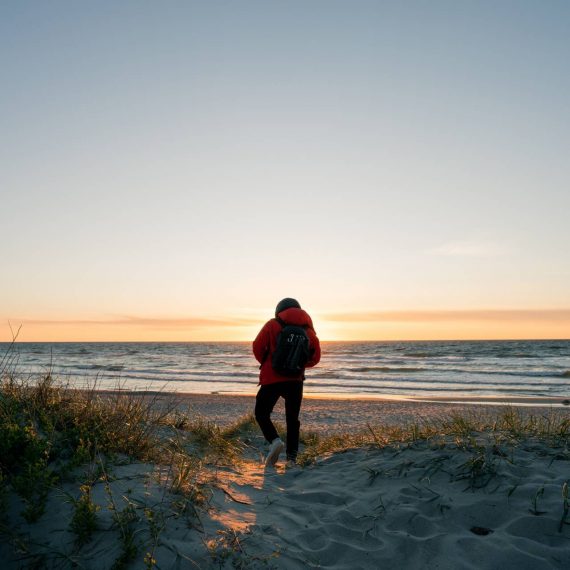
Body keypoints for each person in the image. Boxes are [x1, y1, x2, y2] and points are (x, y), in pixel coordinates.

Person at [252, 298, 321, 467]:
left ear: (279, 310)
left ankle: (275, 441)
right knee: (292, 420)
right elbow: (315, 357)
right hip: (295, 381)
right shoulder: (308, 331)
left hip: (272, 379)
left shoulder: (272, 324)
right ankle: (291, 459)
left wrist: (268, 363)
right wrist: (299, 366)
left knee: (261, 413)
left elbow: (257, 347)